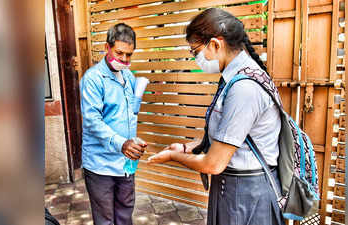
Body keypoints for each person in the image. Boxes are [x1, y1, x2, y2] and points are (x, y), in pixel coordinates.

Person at [148, 8, 285, 225]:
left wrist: (173, 157)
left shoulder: (244, 89)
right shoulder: (235, 77)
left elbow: (213, 164)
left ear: (215, 44)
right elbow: (229, 136)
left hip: (246, 195)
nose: (195, 59)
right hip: (237, 190)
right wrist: (186, 147)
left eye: (195, 52)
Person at [80, 23, 147, 225]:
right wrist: (122, 144)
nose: (125, 60)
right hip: (100, 165)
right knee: (105, 219)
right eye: (119, 53)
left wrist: (134, 141)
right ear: (106, 47)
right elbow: (92, 121)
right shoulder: (93, 79)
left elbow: (127, 114)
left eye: (129, 55)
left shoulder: (128, 76)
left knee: (125, 214)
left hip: (125, 164)